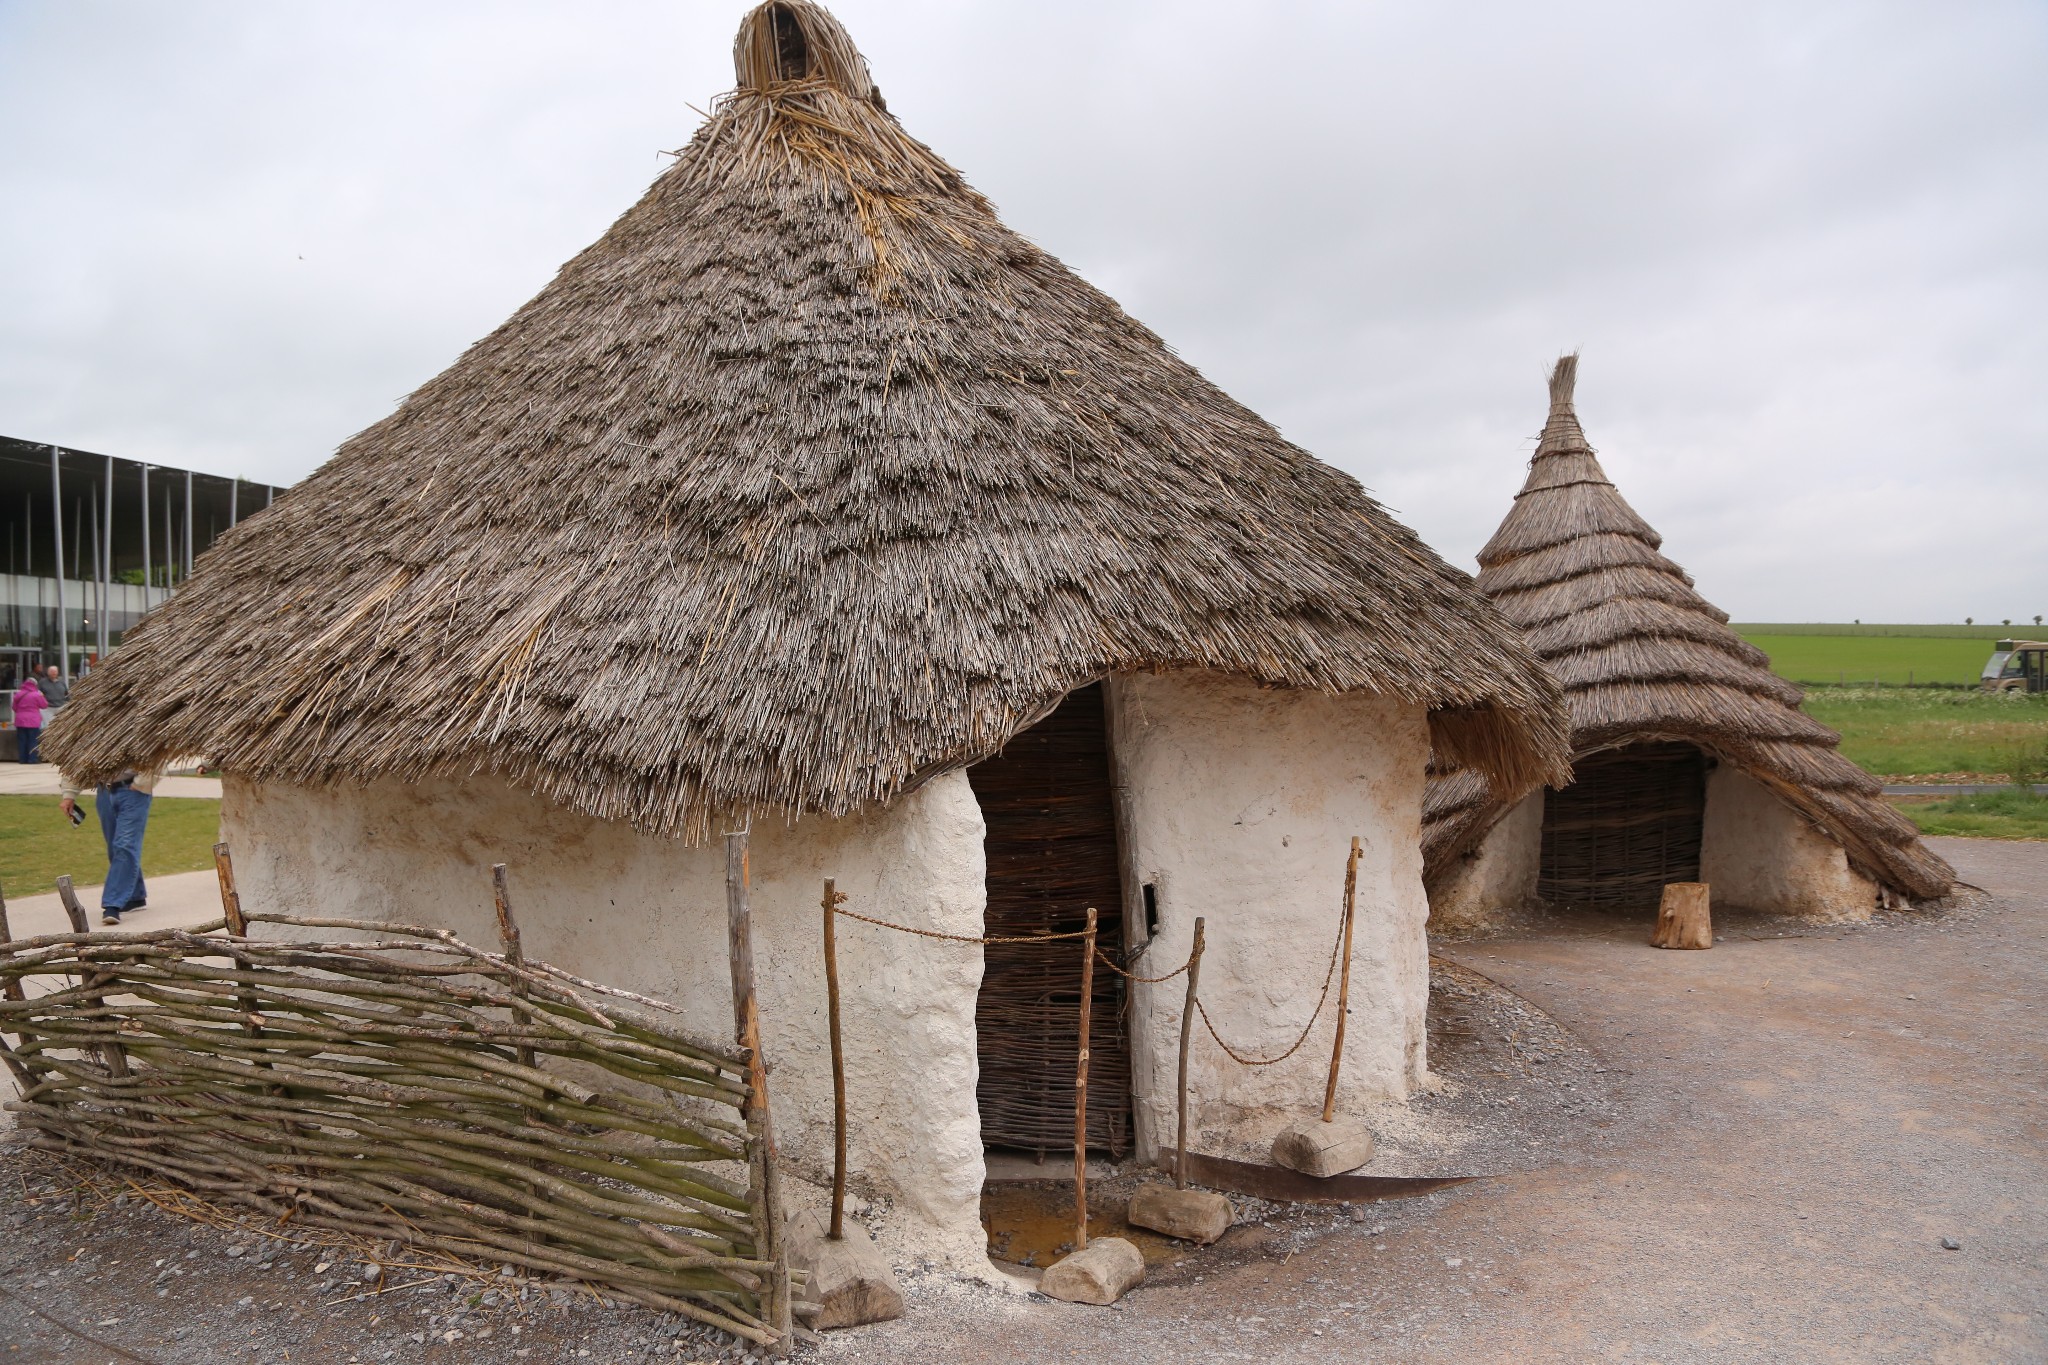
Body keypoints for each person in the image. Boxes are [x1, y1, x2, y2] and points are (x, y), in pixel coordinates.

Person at [60, 769, 160, 925]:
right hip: (104, 792)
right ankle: (135, 897)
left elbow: (158, 754)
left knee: (125, 845)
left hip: (133, 792)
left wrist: (140, 784)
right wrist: (69, 794)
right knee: (115, 847)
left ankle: (112, 903)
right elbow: (79, 759)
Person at [11, 675, 46, 764]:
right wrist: (42, 696)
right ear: (35, 684)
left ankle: (22, 759)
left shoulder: (18, 694)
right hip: (33, 721)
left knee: (22, 740)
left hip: (20, 720)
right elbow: (44, 705)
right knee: (33, 740)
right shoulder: (37, 694)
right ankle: (32, 759)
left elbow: (14, 708)